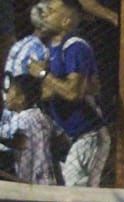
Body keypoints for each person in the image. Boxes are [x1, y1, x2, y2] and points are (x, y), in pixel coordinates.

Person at [27, 0, 108, 187]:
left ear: (66, 20)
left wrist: (43, 74)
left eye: (52, 11)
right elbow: (45, 93)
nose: (45, 14)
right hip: (65, 138)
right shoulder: (47, 49)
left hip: (87, 133)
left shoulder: (75, 46)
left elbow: (73, 93)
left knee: (76, 197)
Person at [0, 73, 57, 184]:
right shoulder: (43, 117)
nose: (6, 95)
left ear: (21, 99)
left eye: (10, 92)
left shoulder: (22, 118)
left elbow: (19, 142)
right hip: (48, 179)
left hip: (31, 180)